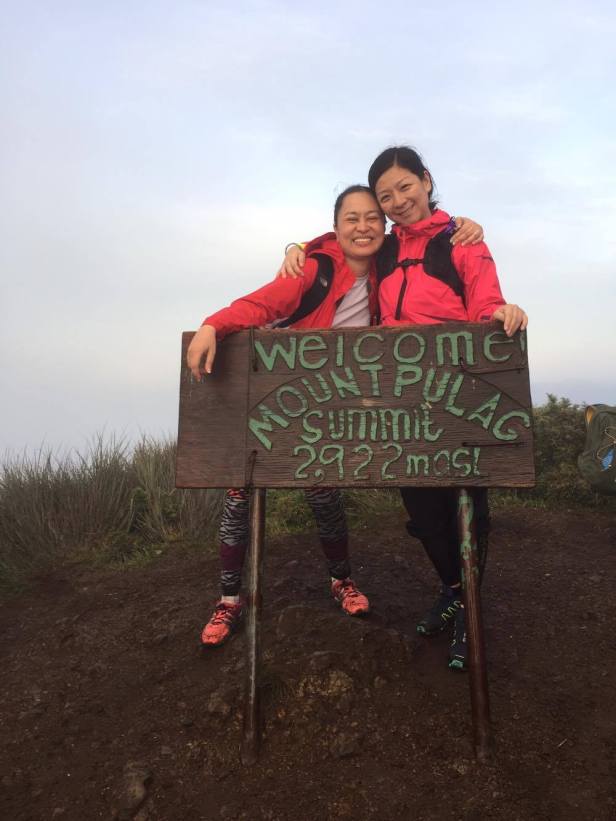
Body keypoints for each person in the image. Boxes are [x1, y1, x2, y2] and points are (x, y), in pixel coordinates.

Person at [280, 146, 528, 670]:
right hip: (402, 400)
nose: (396, 201)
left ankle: (469, 611)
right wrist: (297, 244)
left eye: (404, 188)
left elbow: (485, 301)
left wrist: (502, 312)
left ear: (426, 180)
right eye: (386, 195)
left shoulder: (460, 242)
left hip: (456, 396)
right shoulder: (387, 249)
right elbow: (341, 241)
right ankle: (454, 591)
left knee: (466, 509)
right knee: (423, 512)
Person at [187, 185, 384, 647]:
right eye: (351, 218)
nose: (362, 227)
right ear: (336, 227)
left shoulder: (388, 268)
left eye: (372, 217)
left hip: (328, 400)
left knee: (323, 491)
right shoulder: (315, 269)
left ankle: (341, 580)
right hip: (281, 392)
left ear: (384, 224)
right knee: (241, 491)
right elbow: (264, 302)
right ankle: (229, 599)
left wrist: (462, 226)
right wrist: (213, 324)